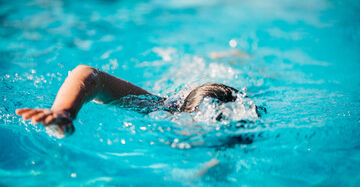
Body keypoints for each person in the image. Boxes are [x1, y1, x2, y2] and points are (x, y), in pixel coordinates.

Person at [15, 65, 261, 137]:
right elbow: (90, 75)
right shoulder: (161, 108)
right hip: (183, 81)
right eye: (201, 125)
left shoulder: (240, 131)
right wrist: (65, 111)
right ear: (185, 115)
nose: (205, 135)